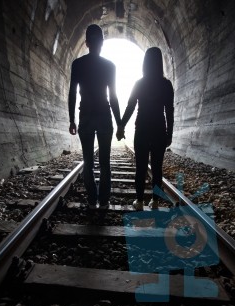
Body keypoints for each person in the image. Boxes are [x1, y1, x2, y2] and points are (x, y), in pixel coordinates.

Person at [68, 24, 121, 209]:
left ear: (87, 42)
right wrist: (120, 123)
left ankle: (92, 200)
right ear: (102, 43)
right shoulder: (109, 66)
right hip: (104, 116)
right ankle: (104, 201)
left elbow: (72, 93)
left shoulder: (78, 64)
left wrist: (71, 119)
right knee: (105, 163)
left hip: (86, 116)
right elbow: (113, 97)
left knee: (88, 161)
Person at [116, 47, 174, 210]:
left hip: (141, 128)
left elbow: (130, 106)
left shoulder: (139, 83)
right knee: (157, 168)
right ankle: (155, 202)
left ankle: (139, 202)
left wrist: (121, 125)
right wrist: (169, 134)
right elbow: (169, 111)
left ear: (145, 63)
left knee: (141, 167)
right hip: (159, 129)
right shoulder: (166, 85)